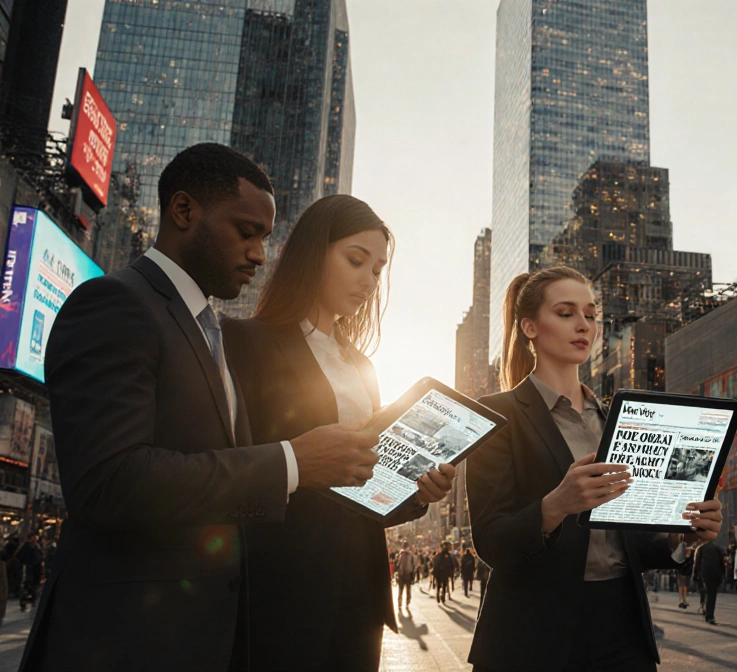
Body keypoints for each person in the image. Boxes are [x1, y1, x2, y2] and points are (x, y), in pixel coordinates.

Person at [20, 143, 380, 672]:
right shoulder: (114, 304)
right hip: (128, 639)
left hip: (212, 632)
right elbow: (107, 482)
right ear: (184, 212)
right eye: (246, 231)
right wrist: (293, 462)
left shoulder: (208, 330)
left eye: (264, 237)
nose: (259, 253)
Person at [222, 193, 454, 671]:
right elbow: (232, 467)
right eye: (356, 260)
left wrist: (417, 492)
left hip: (361, 590)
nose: (369, 280)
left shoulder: (362, 366)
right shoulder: (246, 342)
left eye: (378, 269)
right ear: (314, 253)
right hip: (281, 584)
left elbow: (365, 495)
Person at [466, 267, 724, 672]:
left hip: (622, 624)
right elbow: (490, 540)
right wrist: (555, 505)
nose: (584, 324)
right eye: (566, 313)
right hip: (532, 632)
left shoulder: (618, 419)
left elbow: (627, 543)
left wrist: (680, 536)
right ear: (530, 327)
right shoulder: (497, 415)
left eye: (590, 313)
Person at [694, 538, 725, 625]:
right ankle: (709, 614)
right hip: (715, 574)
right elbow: (722, 563)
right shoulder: (718, 548)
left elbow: (696, 563)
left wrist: (695, 575)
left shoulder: (700, 548)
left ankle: (707, 613)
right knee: (712, 595)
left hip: (705, 574)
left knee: (706, 593)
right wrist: (722, 574)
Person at [16, 534, 43, 613]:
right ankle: (30, 599)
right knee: (32, 584)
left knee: (29, 585)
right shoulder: (32, 546)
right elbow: (38, 557)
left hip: (30, 568)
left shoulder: (27, 546)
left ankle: (27, 600)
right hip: (33, 568)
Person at [396, 542, 417, 610]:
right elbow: (397, 564)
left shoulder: (410, 555)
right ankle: (400, 602)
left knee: (406, 589)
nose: (406, 549)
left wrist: (412, 574)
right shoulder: (400, 554)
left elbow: (413, 565)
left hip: (407, 574)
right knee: (401, 589)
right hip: (402, 574)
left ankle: (407, 601)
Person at [676, 544, 693, 609]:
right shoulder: (683, 555)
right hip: (681, 572)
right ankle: (682, 601)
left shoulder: (690, 555)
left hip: (686, 572)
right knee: (681, 587)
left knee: (684, 587)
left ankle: (683, 601)